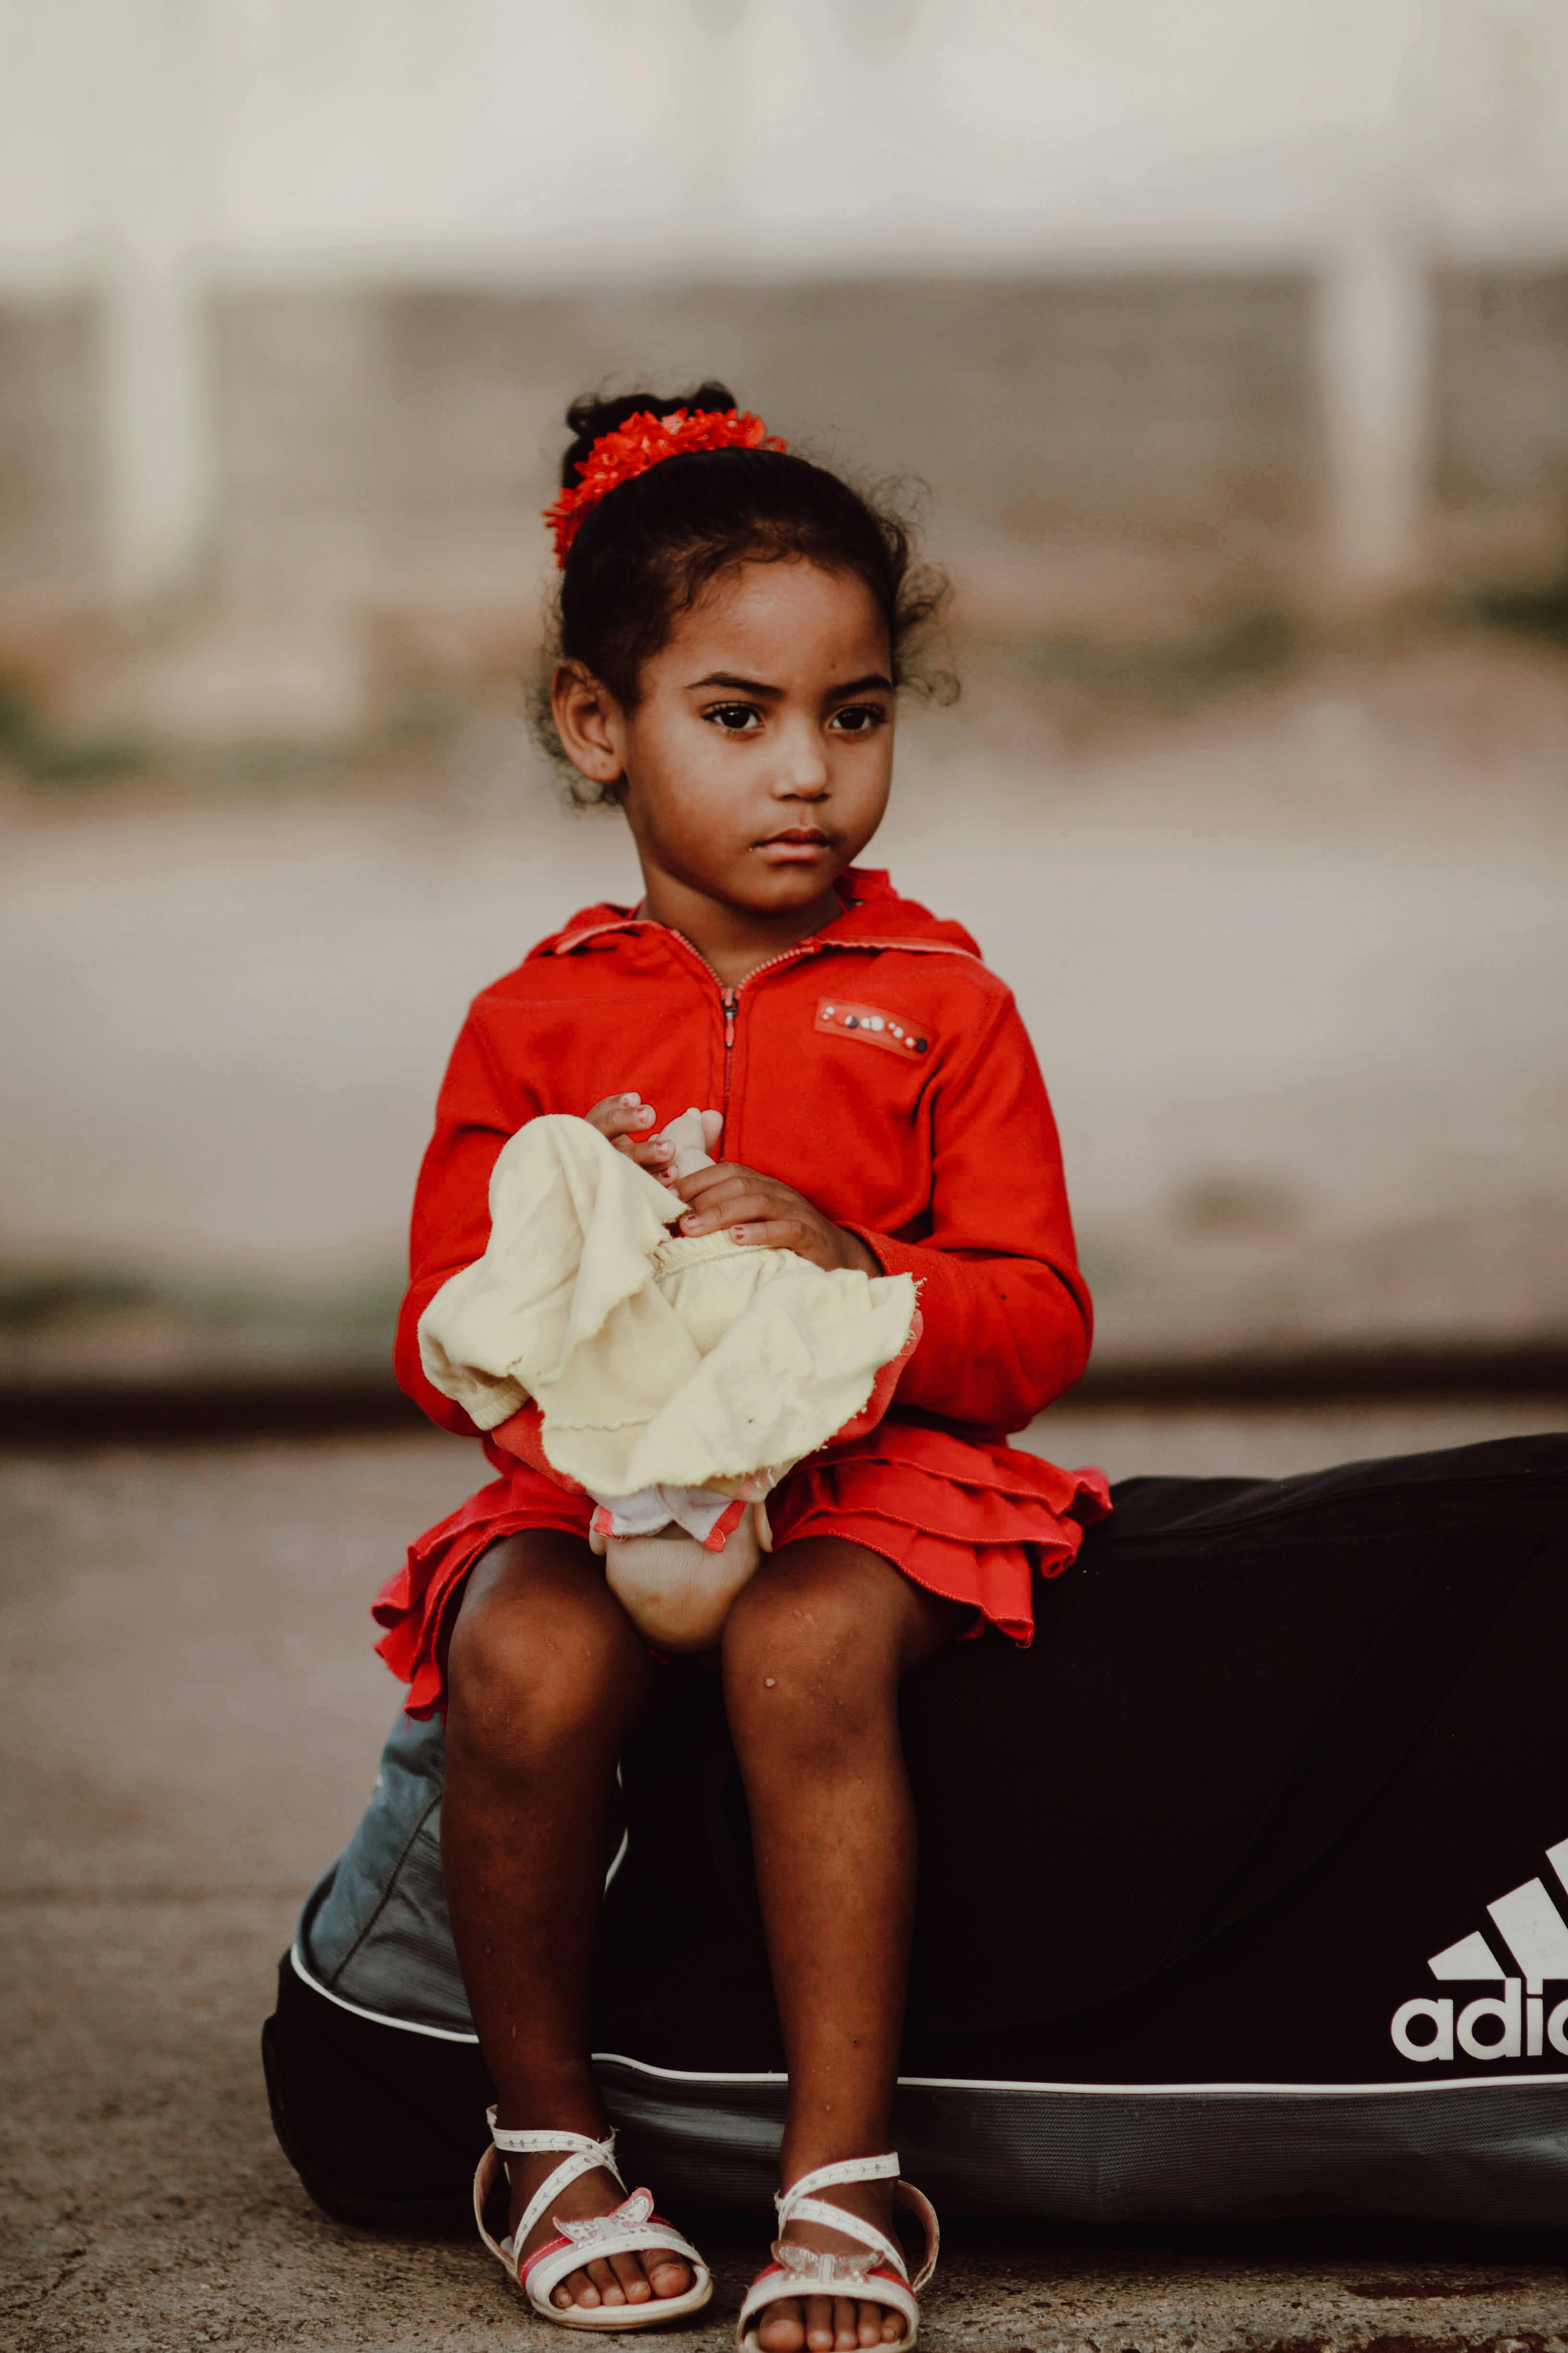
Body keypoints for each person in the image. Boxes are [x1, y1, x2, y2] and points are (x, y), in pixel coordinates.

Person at [370, 385, 1106, 2351]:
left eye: (854, 718)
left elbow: (1034, 1322)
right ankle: (542, 2138)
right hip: (607, 1489)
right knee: (521, 1649)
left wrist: (860, 1273)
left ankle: (842, 2177)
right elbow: (443, 1330)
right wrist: (582, 1274)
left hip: (872, 1484)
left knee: (798, 1645)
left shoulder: (943, 1001)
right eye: (738, 716)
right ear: (596, 725)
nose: (808, 776)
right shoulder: (530, 1023)